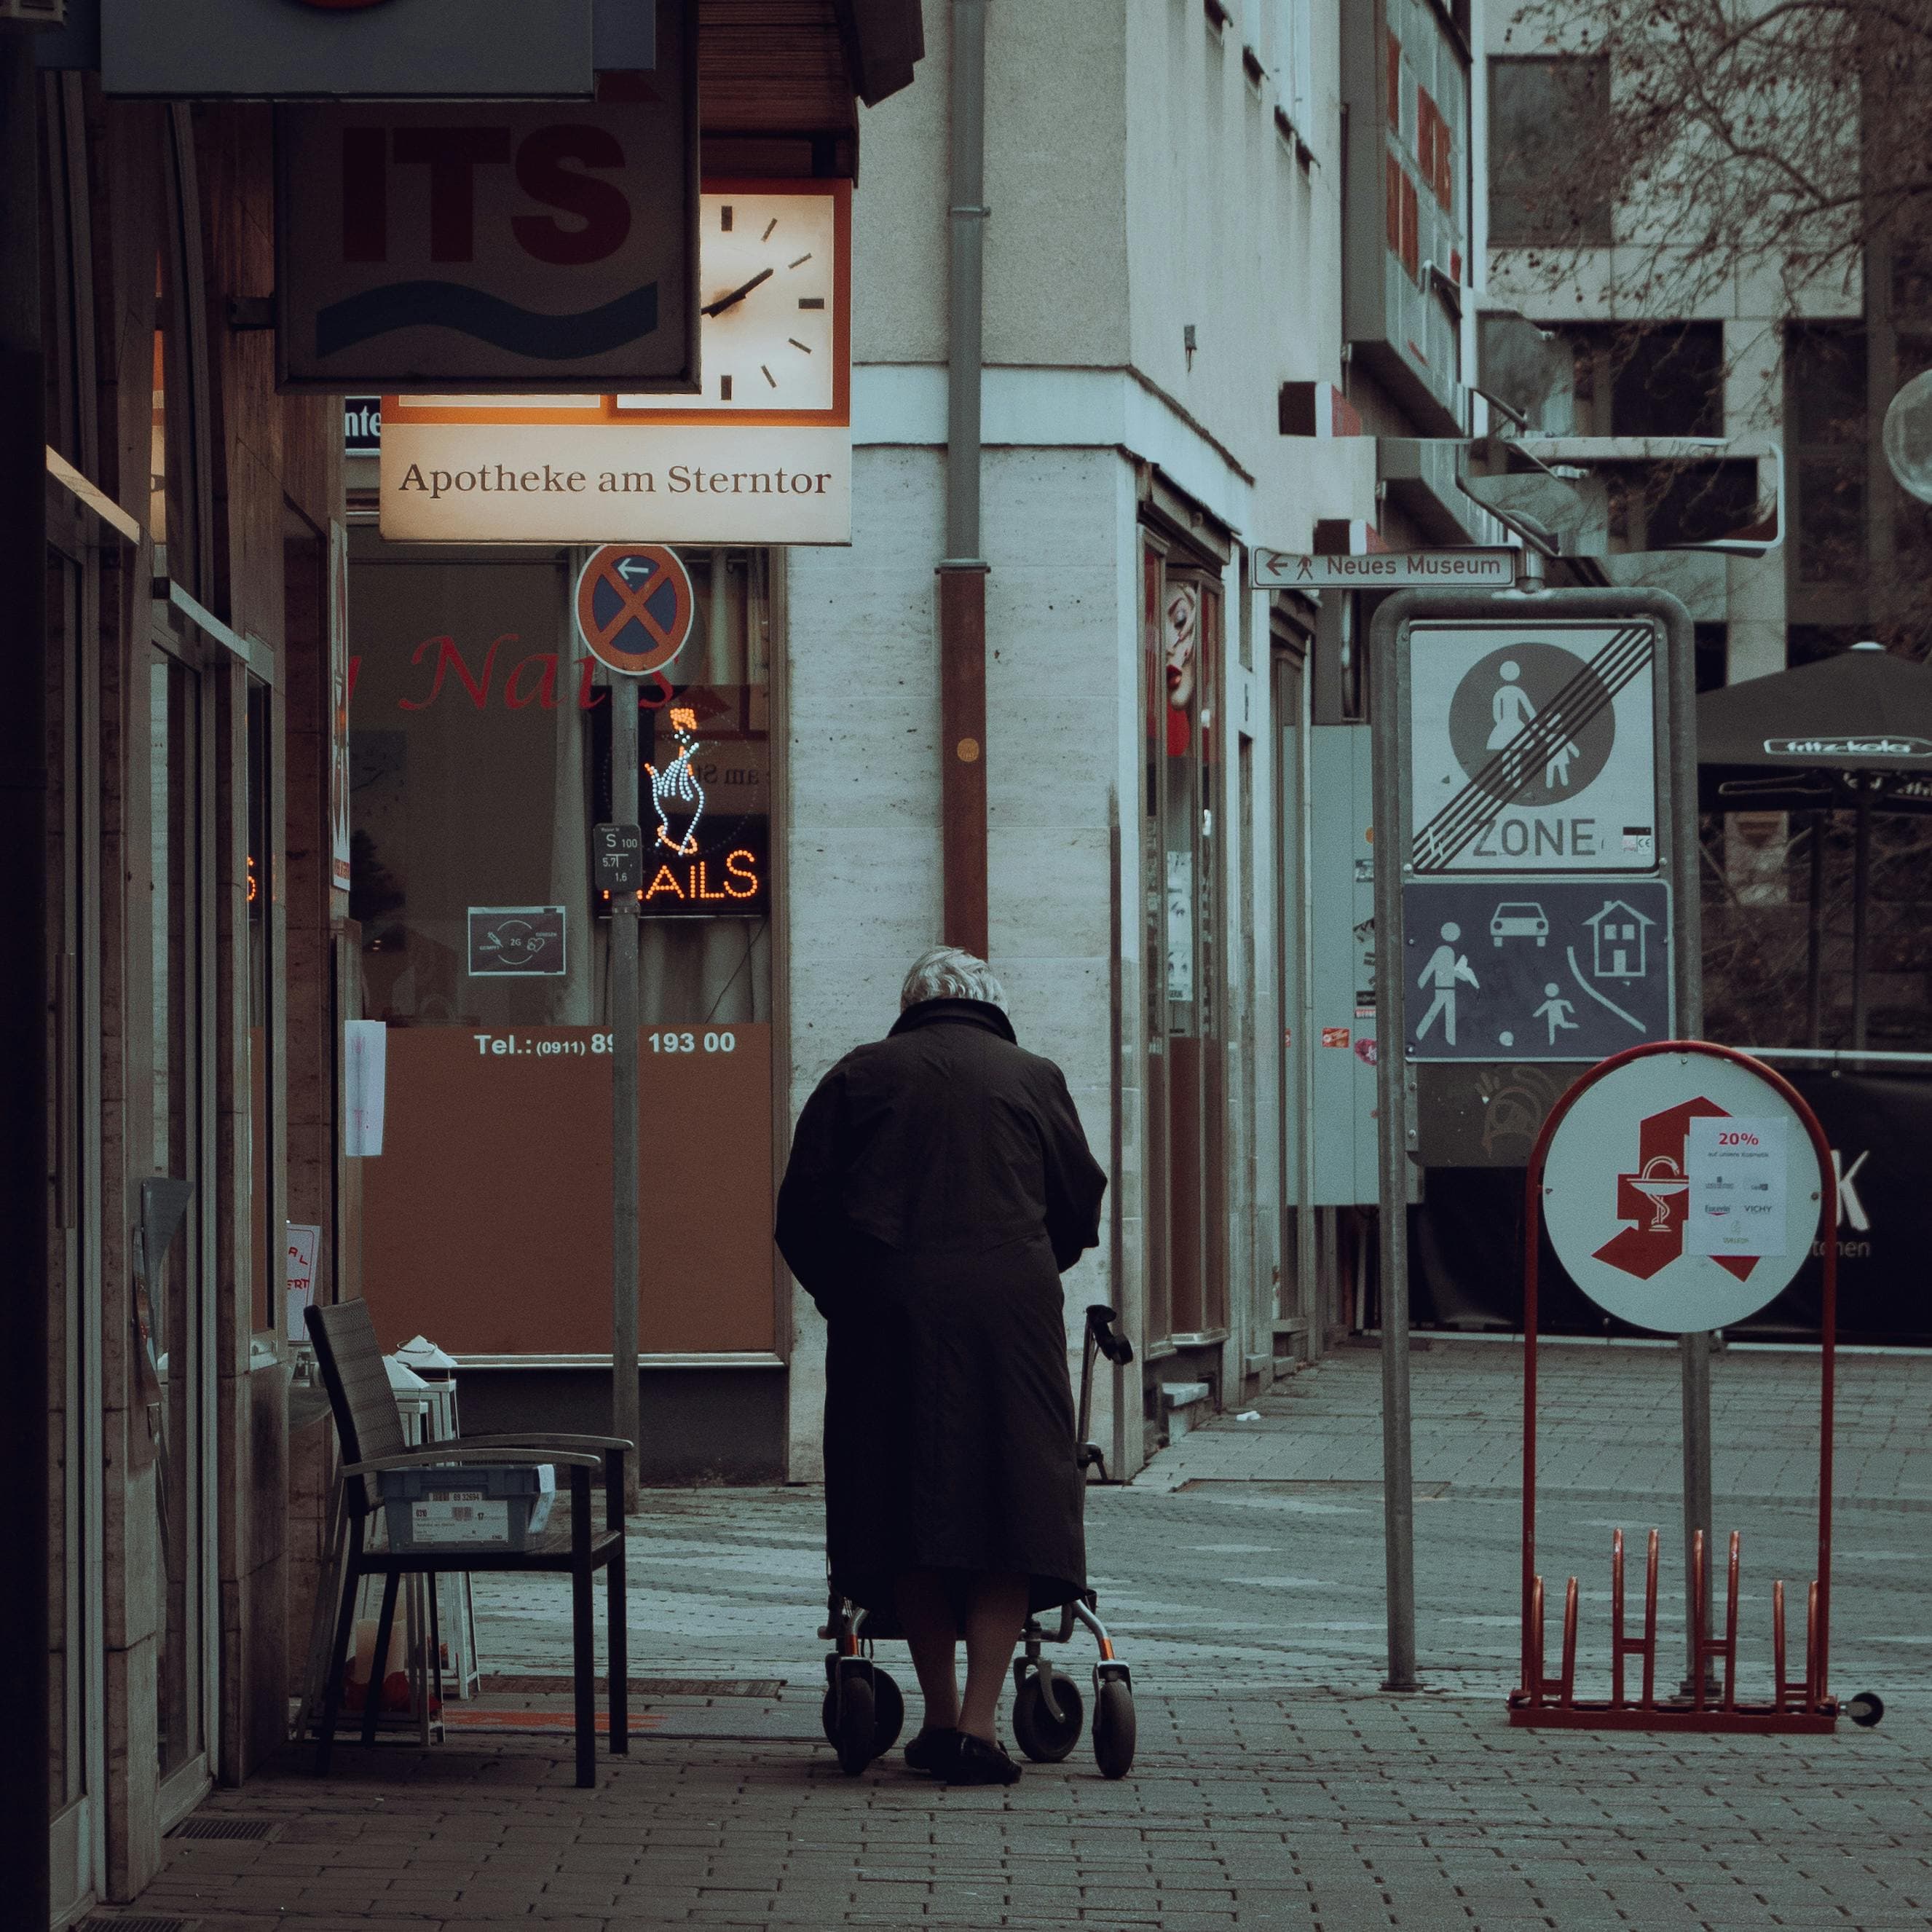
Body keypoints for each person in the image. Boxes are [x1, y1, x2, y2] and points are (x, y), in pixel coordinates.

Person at [776, 946, 1107, 1786]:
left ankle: (931, 1713)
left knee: (904, 1499)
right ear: (992, 1004)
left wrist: (849, 1293)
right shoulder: (1035, 1076)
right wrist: (1017, 1267)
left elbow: (801, 1212)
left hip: (889, 1317)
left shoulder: (859, 1074)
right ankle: (981, 1726)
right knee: (1010, 1502)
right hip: (1011, 1319)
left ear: (912, 1003)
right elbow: (1077, 1203)